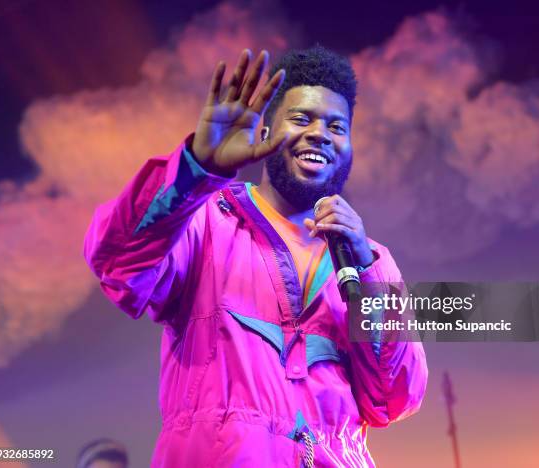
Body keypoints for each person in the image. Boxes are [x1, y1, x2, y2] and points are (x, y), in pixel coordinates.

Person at [84, 45, 428, 467]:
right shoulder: (206, 223)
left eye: (336, 126)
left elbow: (394, 398)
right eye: (301, 119)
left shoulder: (370, 259)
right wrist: (195, 168)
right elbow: (116, 261)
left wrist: (368, 274)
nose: (320, 133)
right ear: (265, 133)